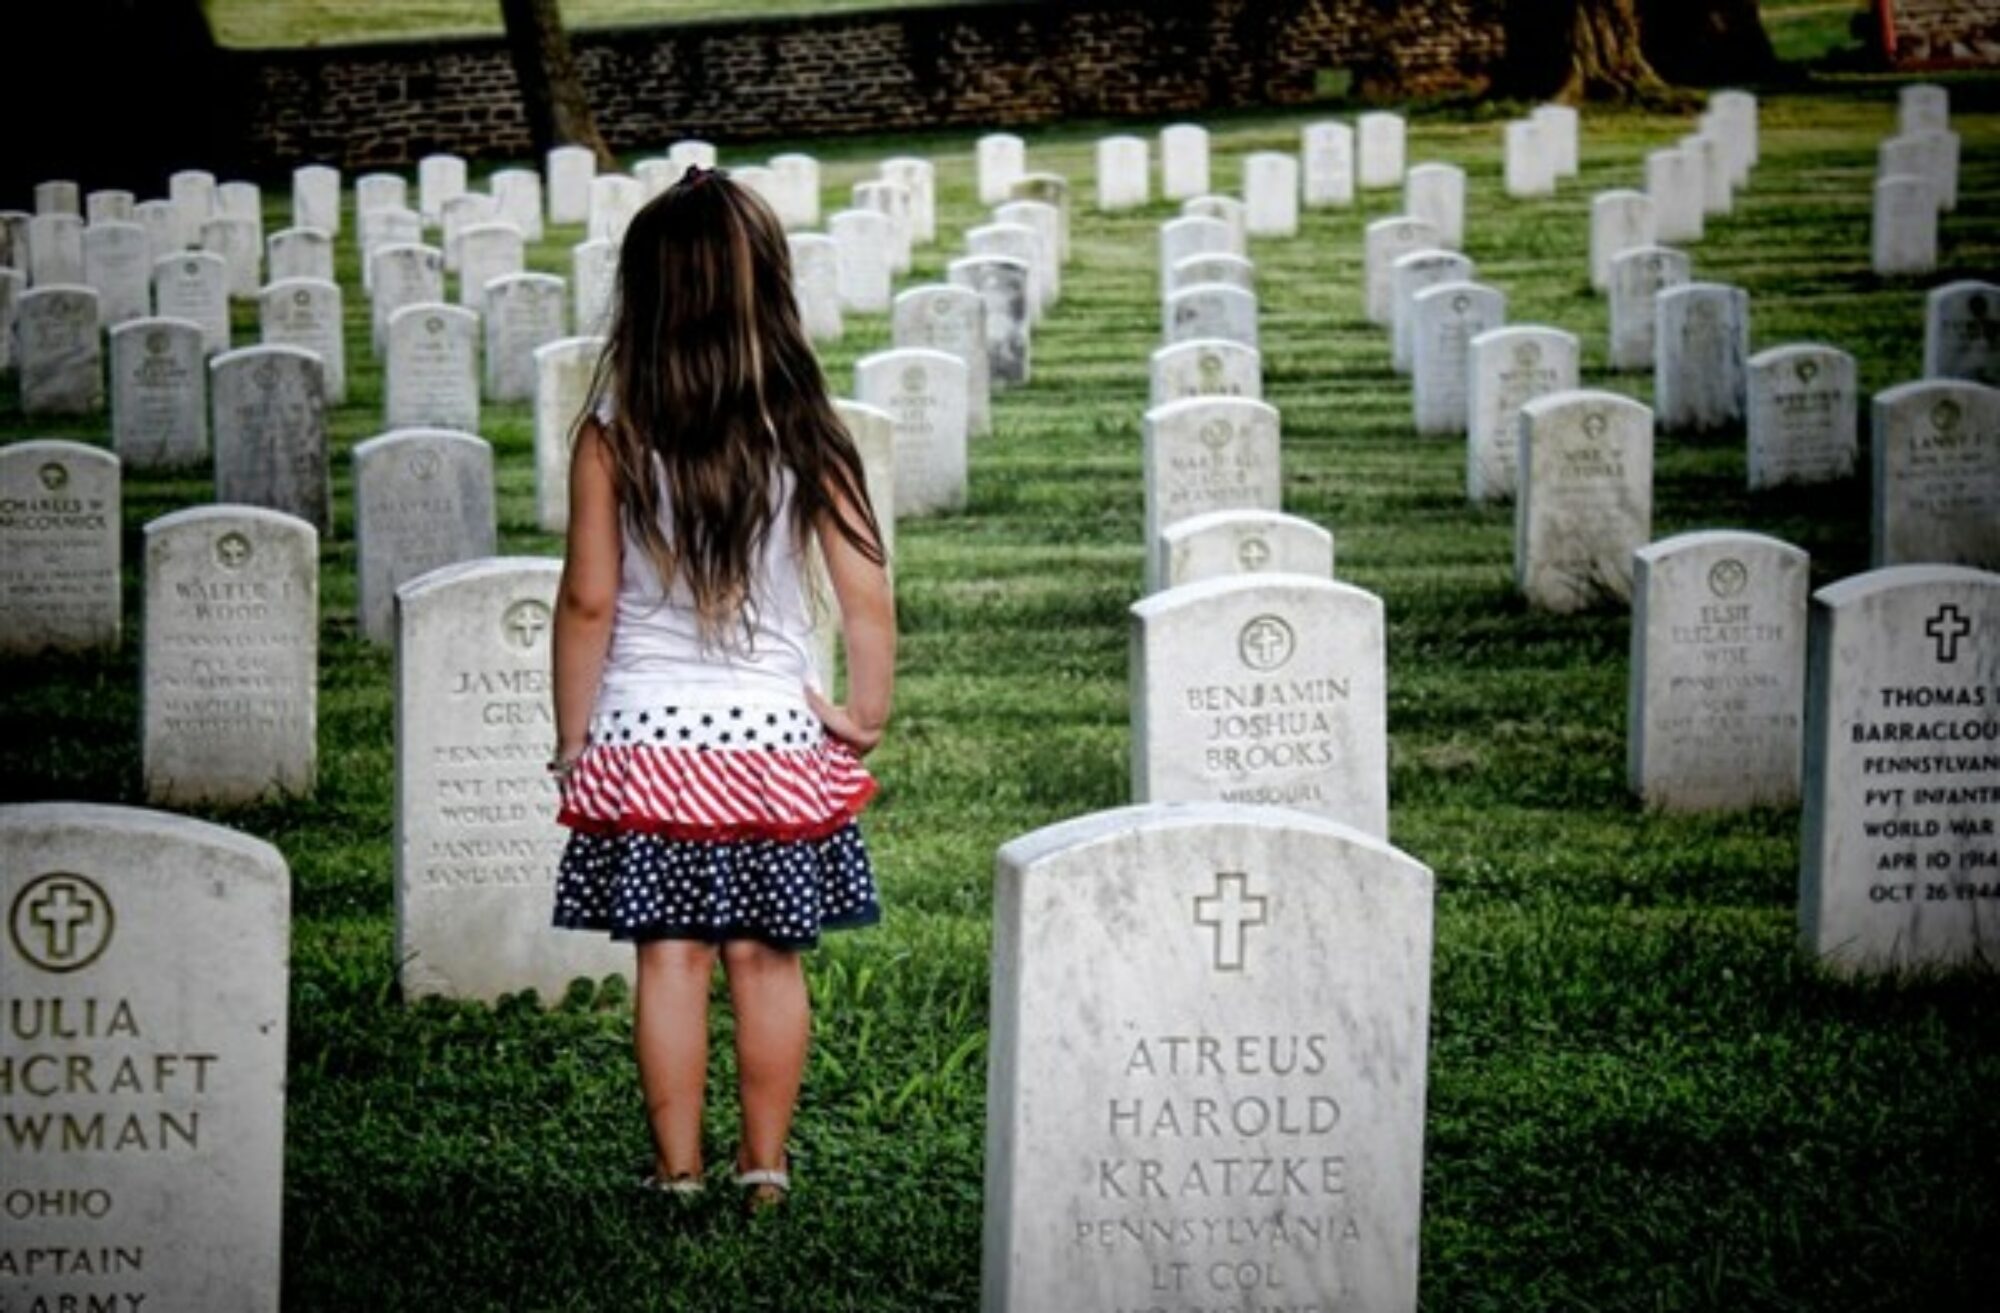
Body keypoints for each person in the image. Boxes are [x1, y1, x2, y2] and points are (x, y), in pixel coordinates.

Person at [547, 164, 894, 1214]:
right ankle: (766, 1167)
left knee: (670, 953)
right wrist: (863, 711)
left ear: (644, 299)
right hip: (774, 741)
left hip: (650, 739)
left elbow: (588, 603)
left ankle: (677, 1170)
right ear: (770, 292)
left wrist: (575, 738)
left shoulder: (613, 435)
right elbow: (865, 591)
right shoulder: (808, 431)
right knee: (765, 951)